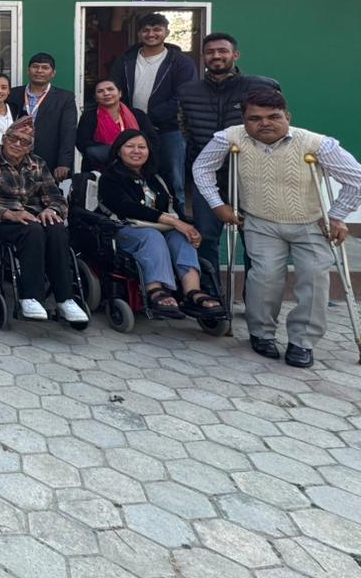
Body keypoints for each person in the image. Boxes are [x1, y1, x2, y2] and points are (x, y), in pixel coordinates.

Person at [193, 90, 361, 368]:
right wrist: (217, 204)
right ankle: (261, 334)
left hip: (310, 223)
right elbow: (202, 168)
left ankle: (302, 342)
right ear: (245, 120)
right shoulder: (230, 137)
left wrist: (337, 216)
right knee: (264, 278)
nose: (264, 123)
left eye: (273, 117)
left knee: (314, 279)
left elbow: (356, 179)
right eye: (255, 118)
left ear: (287, 117)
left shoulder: (316, 143)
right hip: (260, 222)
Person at [0, 117, 88, 323]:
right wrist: (8, 214)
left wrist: (51, 210)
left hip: (36, 216)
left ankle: (65, 299)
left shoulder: (38, 163)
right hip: (3, 220)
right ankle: (30, 297)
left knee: (57, 228)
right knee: (33, 231)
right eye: (13, 138)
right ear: (4, 139)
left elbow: (56, 197)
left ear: (29, 147)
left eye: (24, 142)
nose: (17, 144)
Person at [177, 33, 280, 276]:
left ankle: (255, 299)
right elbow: (184, 131)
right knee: (206, 238)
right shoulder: (188, 91)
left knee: (255, 241)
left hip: (250, 176)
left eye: (222, 51)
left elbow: (276, 127)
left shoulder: (261, 86)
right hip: (207, 178)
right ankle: (211, 298)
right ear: (202, 57)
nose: (216, 56)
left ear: (235, 55)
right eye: (210, 52)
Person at [97, 130, 221, 318]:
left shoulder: (157, 178)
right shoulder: (110, 177)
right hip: (126, 229)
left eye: (141, 147)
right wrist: (173, 221)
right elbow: (126, 207)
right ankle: (155, 289)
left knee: (182, 236)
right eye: (130, 147)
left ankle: (192, 292)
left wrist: (189, 228)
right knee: (153, 236)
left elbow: (174, 208)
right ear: (118, 151)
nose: (136, 151)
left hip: (162, 230)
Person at [109, 13, 197, 202]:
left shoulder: (181, 62)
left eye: (157, 29)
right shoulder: (125, 61)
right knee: (130, 178)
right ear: (139, 33)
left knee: (174, 180)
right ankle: (139, 219)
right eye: (146, 30)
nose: (151, 34)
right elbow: (114, 91)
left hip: (169, 130)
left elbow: (184, 97)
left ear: (166, 32)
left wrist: (148, 118)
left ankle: (179, 223)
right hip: (131, 129)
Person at [8, 53, 77, 180]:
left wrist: (64, 163)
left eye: (45, 67)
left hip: (47, 160)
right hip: (14, 157)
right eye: (35, 66)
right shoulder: (12, 94)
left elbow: (68, 132)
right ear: (28, 71)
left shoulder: (65, 98)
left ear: (53, 73)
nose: (39, 71)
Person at [76, 79, 158, 169]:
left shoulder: (137, 114)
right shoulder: (89, 116)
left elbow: (152, 140)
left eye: (110, 89)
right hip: (100, 167)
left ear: (120, 93)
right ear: (95, 97)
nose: (106, 93)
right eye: (100, 91)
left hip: (137, 166)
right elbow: (82, 144)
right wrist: (117, 152)